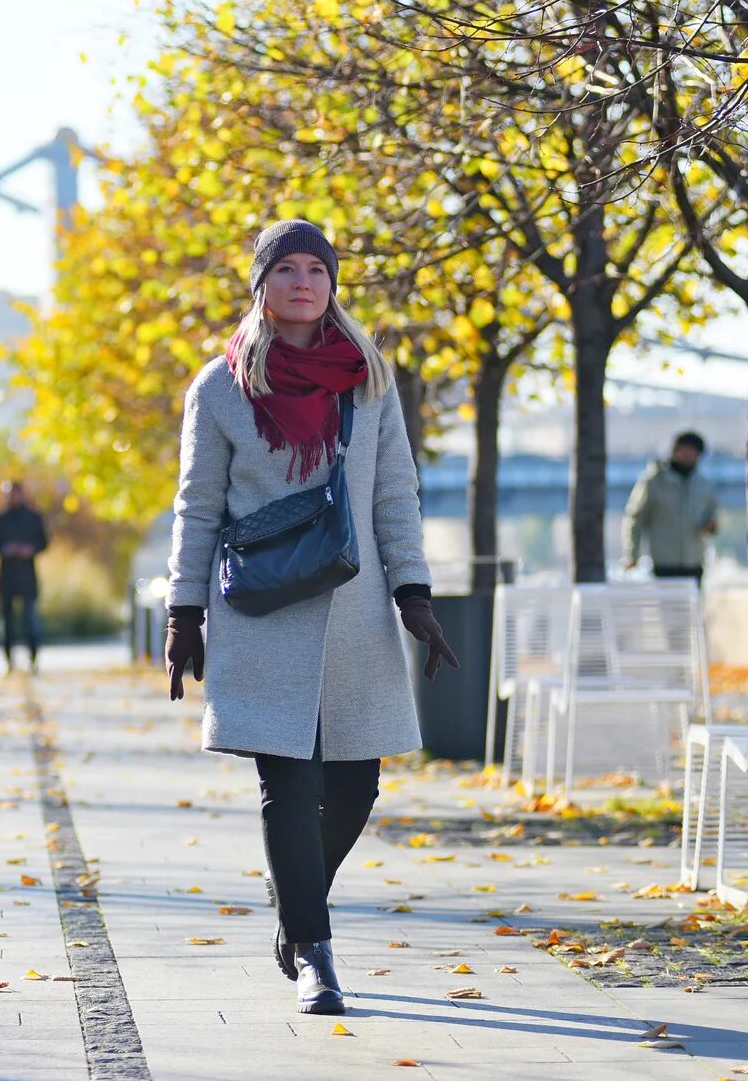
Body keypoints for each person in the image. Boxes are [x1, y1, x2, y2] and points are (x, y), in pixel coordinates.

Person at [163, 219, 460, 1017]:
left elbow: (394, 492)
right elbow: (197, 509)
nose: (302, 281)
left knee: (356, 786)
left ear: (332, 282)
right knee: (287, 787)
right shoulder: (220, 387)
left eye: (316, 269)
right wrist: (182, 612)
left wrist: (415, 595)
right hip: (261, 610)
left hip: (357, 610)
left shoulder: (367, 378)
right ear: (262, 284)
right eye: (285, 268)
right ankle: (316, 955)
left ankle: (296, 905)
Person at [623, 430, 719, 583]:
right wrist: (632, 555)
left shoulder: (704, 484)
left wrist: (710, 526)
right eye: (685, 450)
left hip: (694, 563)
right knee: (666, 605)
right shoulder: (653, 482)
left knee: (691, 606)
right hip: (663, 564)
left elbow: (712, 517)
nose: (688, 455)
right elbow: (635, 519)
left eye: (693, 452)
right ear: (675, 451)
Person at [0, 481, 48, 674]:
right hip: (6, 576)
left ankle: (33, 659)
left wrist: (30, 550)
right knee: (6, 621)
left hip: (27, 575)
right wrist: (5, 550)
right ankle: (7, 659)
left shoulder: (34, 517)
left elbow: (43, 542)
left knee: (31, 620)